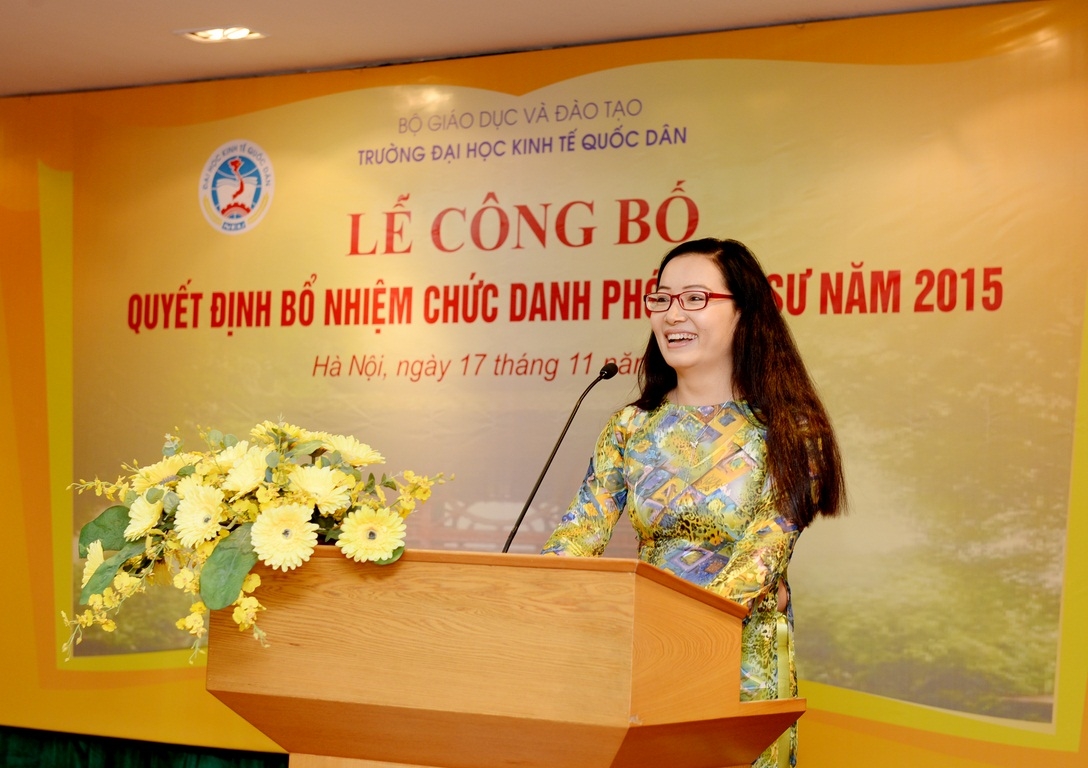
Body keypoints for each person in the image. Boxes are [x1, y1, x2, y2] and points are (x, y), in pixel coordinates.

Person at [542, 237, 845, 768]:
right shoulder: (630, 426)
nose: (673, 314)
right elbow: (579, 531)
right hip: (643, 657)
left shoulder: (791, 429)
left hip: (738, 661)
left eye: (695, 298)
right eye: (661, 298)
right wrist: (534, 595)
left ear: (744, 312)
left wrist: (682, 631)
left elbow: (763, 552)